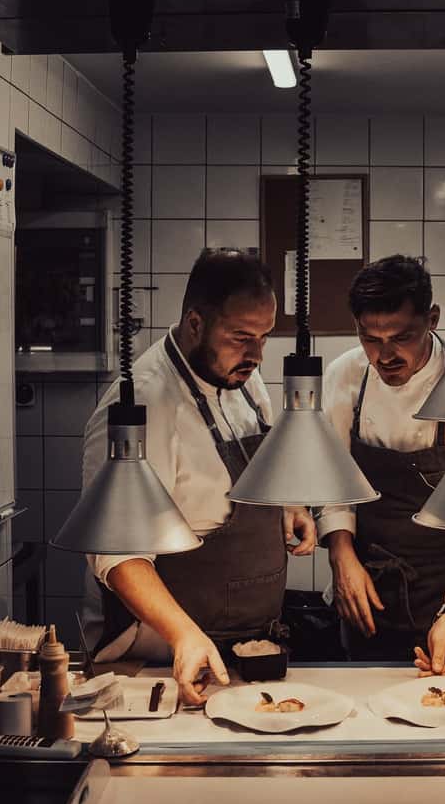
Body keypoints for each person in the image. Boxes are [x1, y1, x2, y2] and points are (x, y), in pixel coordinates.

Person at [81, 248, 316, 704]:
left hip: (245, 647)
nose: (256, 356)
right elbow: (116, 554)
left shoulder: (239, 378)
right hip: (164, 656)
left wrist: (288, 506)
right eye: (241, 337)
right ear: (195, 323)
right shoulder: (141, 405)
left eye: (264, 337)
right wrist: (183, 635)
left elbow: (256, 467)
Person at [320, 256, 445, 674]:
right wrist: (340, 553)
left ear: (432, 319)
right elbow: (331, 482)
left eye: (402, 337)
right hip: (367, 598)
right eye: (370, 339)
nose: (386, 354)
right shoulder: (345, 375)